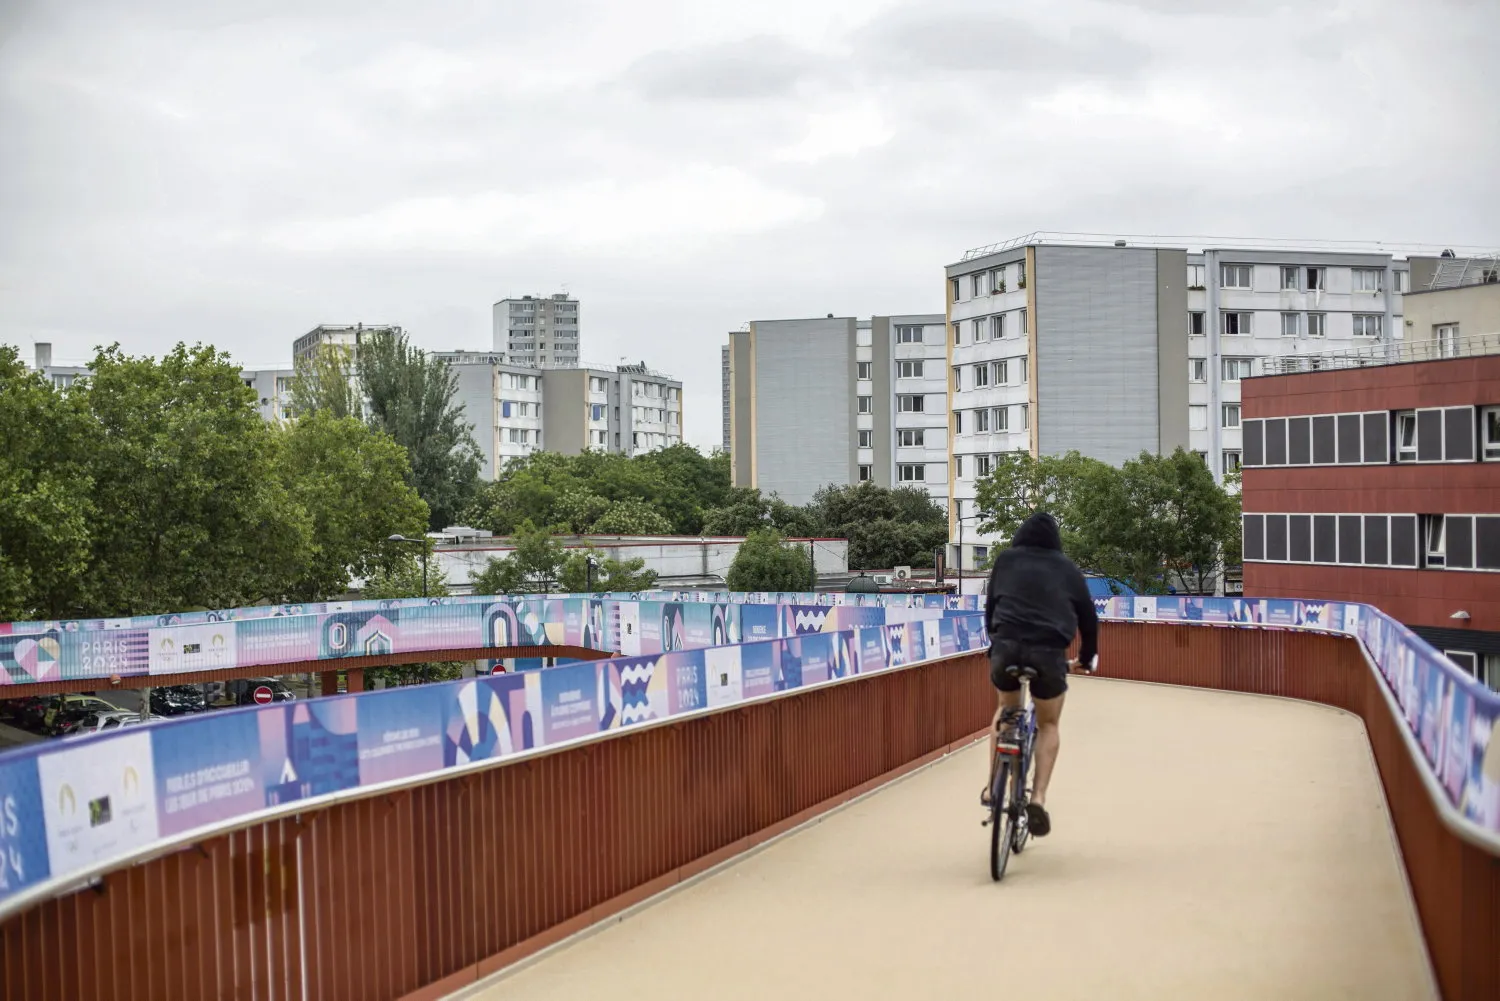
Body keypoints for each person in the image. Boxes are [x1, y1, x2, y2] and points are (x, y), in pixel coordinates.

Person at [981, 510, 1098, 837]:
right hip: (1048, 653)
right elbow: (1089, 620)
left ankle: (993, 787)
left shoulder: (1005, 561)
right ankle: (1039, 798)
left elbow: (990, 608)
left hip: (1006, 649)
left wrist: (996, 640)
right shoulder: (1067, 569)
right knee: (1047, 723)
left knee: (1006, 712)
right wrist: (1086, 658)